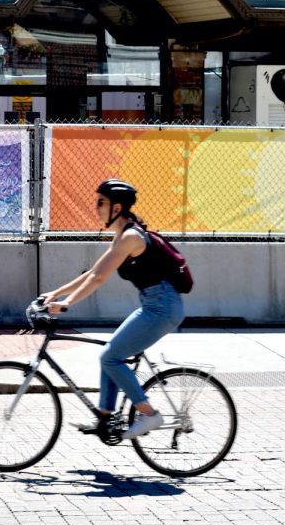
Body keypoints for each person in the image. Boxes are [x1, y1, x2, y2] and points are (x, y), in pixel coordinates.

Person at [40, 179, 185, 440]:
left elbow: (98, 280)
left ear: (117, 207)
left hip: (162, 306)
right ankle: (106, 419)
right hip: (154, 303)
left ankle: (149, 414)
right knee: (109, 356)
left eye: (101, 202)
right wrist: (56, 293)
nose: (96, 207)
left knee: (111, 357)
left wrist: (66, 304)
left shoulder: (130, 237)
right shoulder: (123, 235)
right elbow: (93, 272)